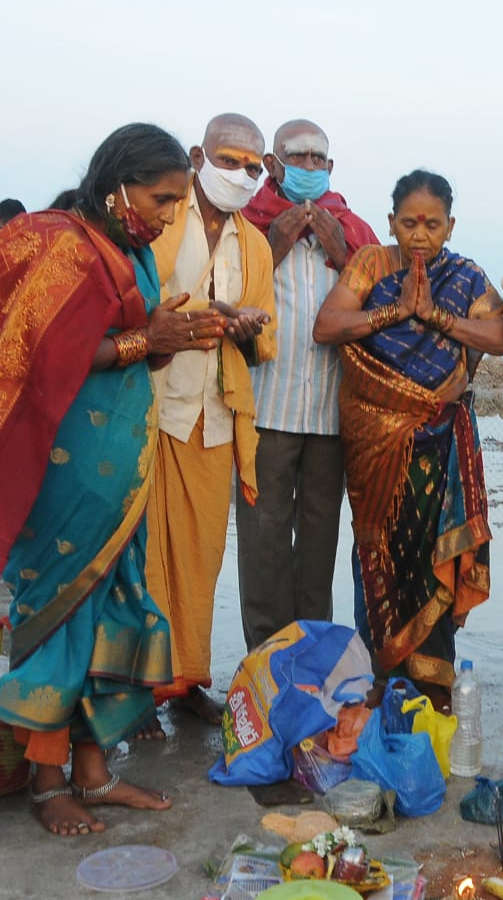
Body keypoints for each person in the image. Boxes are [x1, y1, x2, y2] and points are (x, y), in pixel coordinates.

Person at [0, 123, 224, 835]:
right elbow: (42, 354)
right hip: (66, 472)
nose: (167, 214)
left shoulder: (134, 255)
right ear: (117, 184)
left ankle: (94, 776)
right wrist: (144, 339)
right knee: (61, 616)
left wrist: (172, 337)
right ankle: (46, 783)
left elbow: (141, 354)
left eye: (176, 202)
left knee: (116, 612)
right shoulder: (59, 244)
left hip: (124, 469)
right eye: (161, 199)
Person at [313, 170, 503, 711]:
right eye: (408, 222)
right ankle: (381, 672)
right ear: (390, 222)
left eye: (432, 224)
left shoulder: (466, 276)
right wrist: (395, 312)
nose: (419, 234)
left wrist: (435, 317)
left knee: (429, 555)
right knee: (376, 548)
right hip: (374, 437)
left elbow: (501, 337)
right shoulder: (372, 264)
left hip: (438, 441)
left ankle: (432, 679)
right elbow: (328, 326)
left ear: (451, 226)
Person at [142, 113, 276, 734]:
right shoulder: (164, 220)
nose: (243, 175)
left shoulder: (255, 243)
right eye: (230, 160)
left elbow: (265, 334)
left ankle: (187, 678)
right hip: (152, 402)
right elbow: (144, 301)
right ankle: (134, 687)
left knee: (200, 558)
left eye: (254, 167)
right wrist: (213, 312)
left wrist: (244, 328)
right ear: (198, 155)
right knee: (143, 554)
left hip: (215, 413)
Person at [238, 120, 378, 651]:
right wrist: (273, 245)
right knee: (263, 541)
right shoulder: (248, 226)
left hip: (329, 411)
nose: (311, 168)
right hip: (264, 408)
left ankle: (311, 656)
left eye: (320, 159)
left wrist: (341, 251)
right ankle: (265, 660)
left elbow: (376, 304)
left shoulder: (352, 229)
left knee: (319, 542)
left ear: (331, 168)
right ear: (274, 166)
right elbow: (227, 292)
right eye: (299, 158)